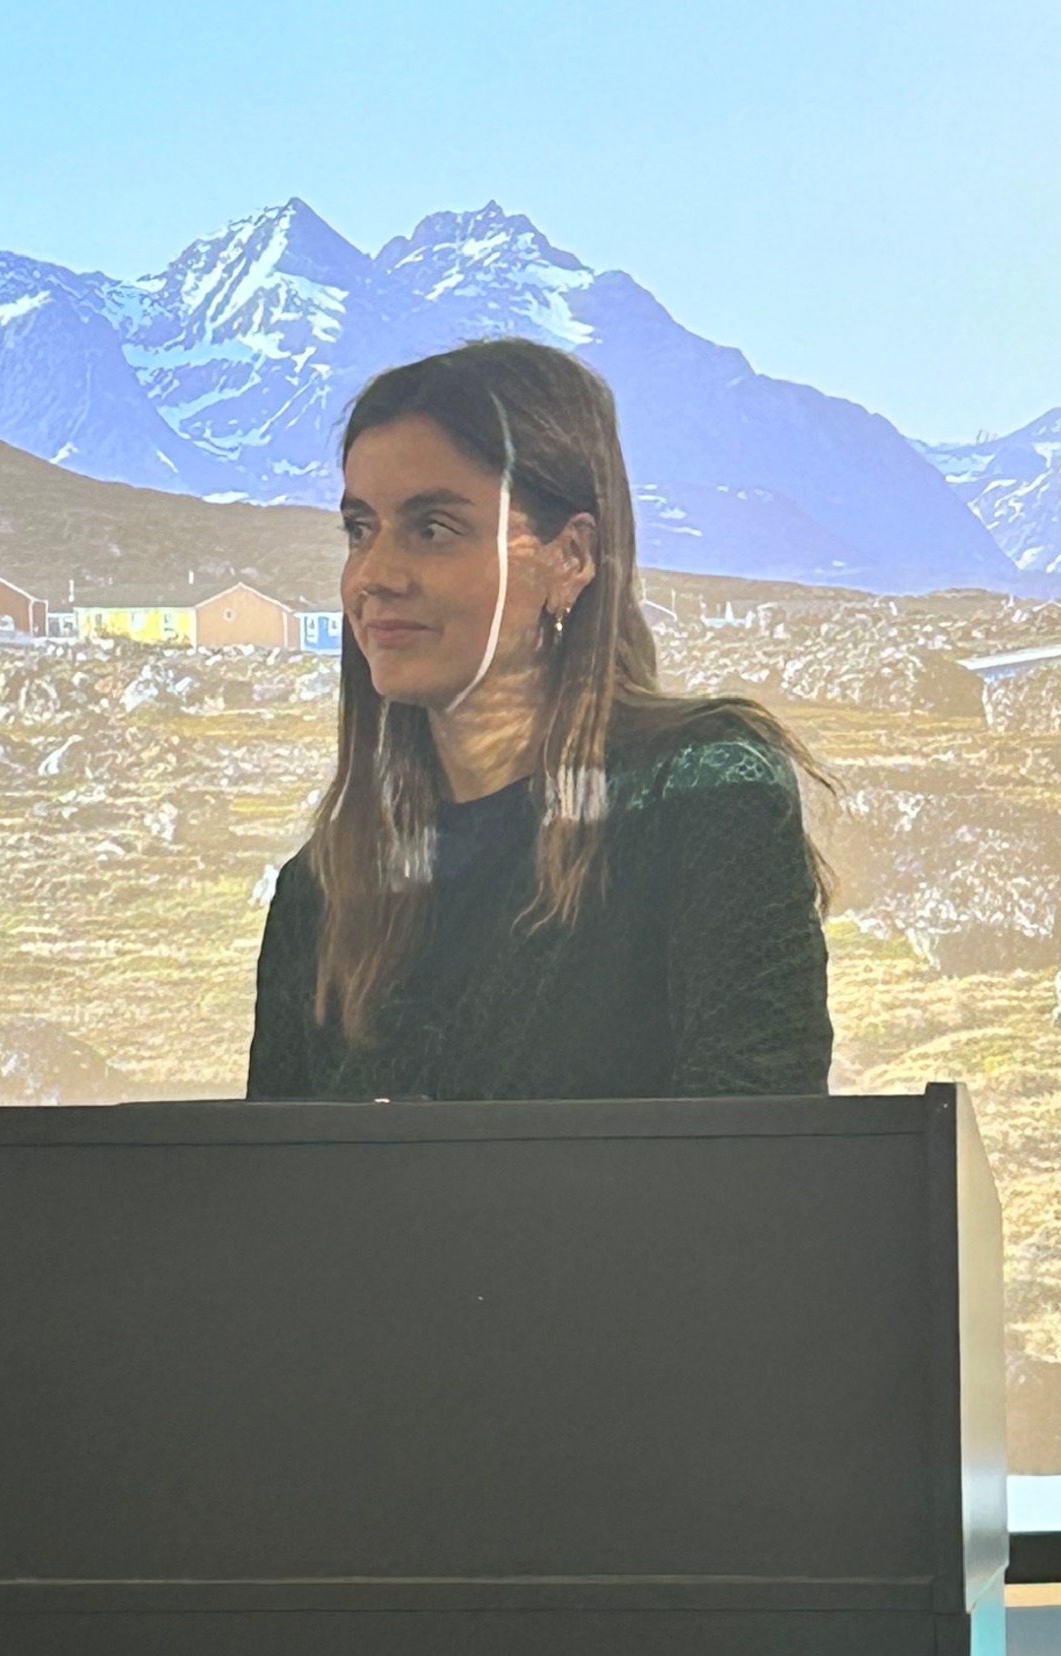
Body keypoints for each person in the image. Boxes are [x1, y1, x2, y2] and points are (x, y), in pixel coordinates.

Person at [247, 337, 833, 1099]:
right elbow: (274, 1199)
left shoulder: (703, 802)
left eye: (432, 528)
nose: (374, 577)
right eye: (360, 529)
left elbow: (757, 1172)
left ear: (571, 556)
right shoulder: (324, 889)